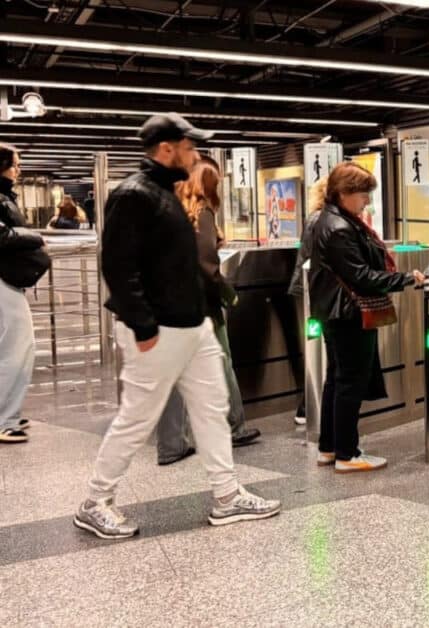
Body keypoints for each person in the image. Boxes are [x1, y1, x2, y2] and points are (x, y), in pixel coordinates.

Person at [75, 113, 281, 539]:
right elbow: (117, 264)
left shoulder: (167, 192)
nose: (195, 154)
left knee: (212, 406)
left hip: (193, 325)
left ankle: (227, 497)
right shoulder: (134, 194)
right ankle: (95, 500)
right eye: (189, 147)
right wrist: (143, 326)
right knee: (137, 416)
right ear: (167, 150)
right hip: (158, 329)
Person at [309, 163, 425, 473]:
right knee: (350, 383)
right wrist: (404, 279)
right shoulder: (340, 228)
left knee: (336, 379)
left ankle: (330, 447)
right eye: (363, 195)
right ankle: (348, 453)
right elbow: (360, 275)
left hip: (335, 312)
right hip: (349, 313)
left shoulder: (330, 220)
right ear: (344, 194)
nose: (366, 202)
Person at [156, 156, 261, 465]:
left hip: (172, 306)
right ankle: (233, 426)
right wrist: (229, 294)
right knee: (222, 362)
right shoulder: (202, 214)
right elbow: (205, 265)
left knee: (173, 375)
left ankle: (171, 444)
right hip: (200, 306)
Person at [0, 142, 45, 444]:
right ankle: (5, 419)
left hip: (7, 279)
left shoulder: (4, 196)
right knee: (17, 348)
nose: (18, 169)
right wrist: (35, 236)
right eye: (15, 164)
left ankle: (7, 413)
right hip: (3, 280)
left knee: (11, 347)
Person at [287, 178, 329, 426]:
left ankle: (309, 405)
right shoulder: (319, 219)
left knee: (318, 345)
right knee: (317, 346)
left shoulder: (316, 216)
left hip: (308, 288)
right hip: (311, 290)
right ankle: (307, 406)